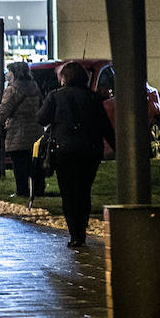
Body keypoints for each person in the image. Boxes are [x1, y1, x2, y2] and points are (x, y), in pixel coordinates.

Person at [36, 61, 115, 248]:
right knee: (83, 191)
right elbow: (104, 125)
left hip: (64, 151)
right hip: (90, 150)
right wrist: (116, 146)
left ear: (64, 78)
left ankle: (75, 234)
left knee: (68, 192)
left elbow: (41, 118)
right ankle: (82, 231)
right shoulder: (93, 98)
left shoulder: (55, 96)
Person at [0, 61, 46, 201]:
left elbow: (4, 110)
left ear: (15, 73)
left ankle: (22, 191)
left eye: (8, 72)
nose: (6, 74)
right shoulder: (34, 87)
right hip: (35, 131)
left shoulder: (12, 90)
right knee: (34, 164)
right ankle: (37, 190)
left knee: (19, 165)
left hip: (18, 131)